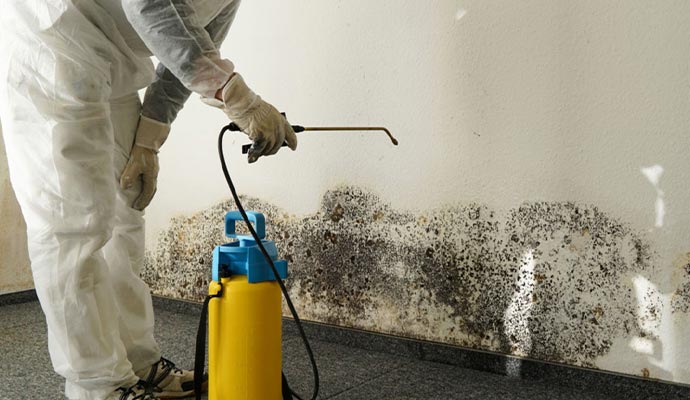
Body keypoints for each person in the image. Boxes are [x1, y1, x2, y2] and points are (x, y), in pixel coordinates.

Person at [0, 1, 296, 399]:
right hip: (53, 40)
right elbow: (149, 4)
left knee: (126, 213)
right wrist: (239, 99)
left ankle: (139, 363)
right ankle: (99, 385)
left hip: (112, 63)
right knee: (73, 225)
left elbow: (191, 46)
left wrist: (148, 141)